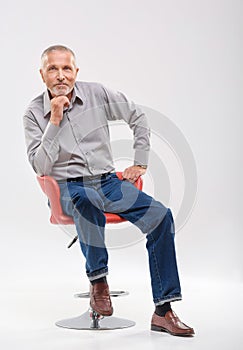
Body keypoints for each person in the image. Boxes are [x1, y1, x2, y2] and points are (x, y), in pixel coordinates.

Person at [23, 45, 194, 336]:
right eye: (53, 69)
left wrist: (140, 162)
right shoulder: (33, 113)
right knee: (85, 200)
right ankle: (98, 280)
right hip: (67, 187)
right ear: (42, 75)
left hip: (107, 182)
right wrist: (53, 119)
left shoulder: (97, 95)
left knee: (161, 216)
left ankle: (163, 310)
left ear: (76, 72)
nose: (61, 75)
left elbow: (137, 116)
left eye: (67, 68)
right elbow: (40, 165)